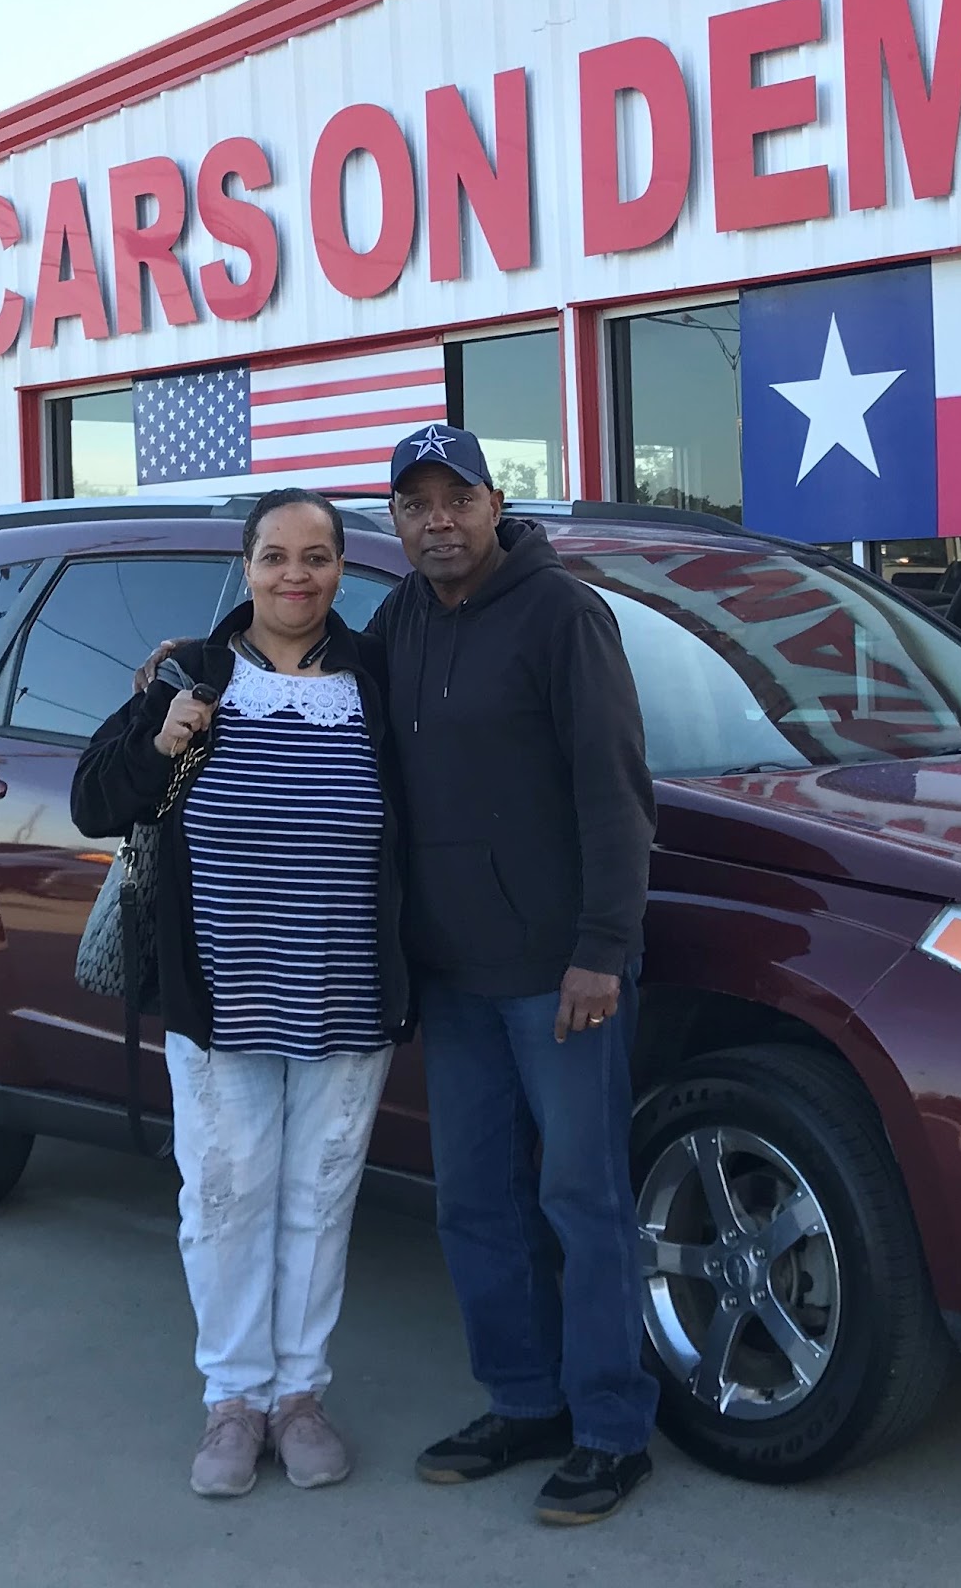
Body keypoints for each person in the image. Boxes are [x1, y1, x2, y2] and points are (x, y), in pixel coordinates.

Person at [74, 488, 408, 1499]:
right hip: (221, 992)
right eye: (274, 556)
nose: (294, 576)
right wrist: (160, 739)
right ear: (247, 565)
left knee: (320, 1196)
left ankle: (299, 1396)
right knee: (225, 1195)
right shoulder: (194, 674)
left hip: (349, 992)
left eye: (316, 556)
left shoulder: (376, 682)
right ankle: (233, 1401)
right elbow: (93, 800)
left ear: (341, 568)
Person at [379, 423, 659, 1526]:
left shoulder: (562, 617)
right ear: (395, 522)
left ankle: (611, 1430)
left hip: (559, 976)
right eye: (416, 505)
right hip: (451, 977)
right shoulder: (399, 620)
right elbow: (294, 660)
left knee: (582, 1202)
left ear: (496, 504)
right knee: (476, 1205)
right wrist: (200, 660)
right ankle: (524, 1401)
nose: (438, 521)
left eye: (457, 498)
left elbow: (614, 793)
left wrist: (602, 949)